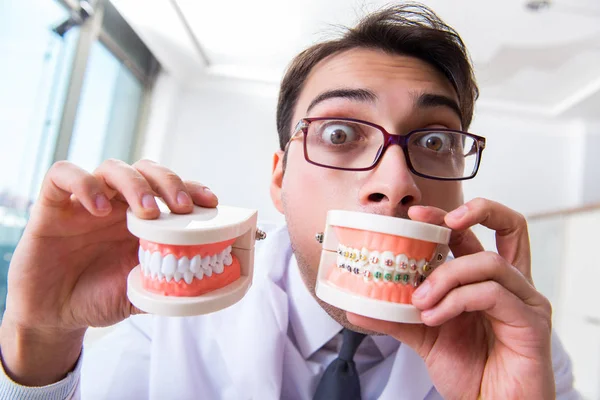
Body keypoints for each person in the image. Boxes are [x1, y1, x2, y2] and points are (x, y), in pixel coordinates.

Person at [0, 3, 578, 400]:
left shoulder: (520, 346)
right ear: (278, 179)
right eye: (340, 134)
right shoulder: (170, 328)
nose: (397, 182)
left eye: (433, 141)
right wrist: (39, 341)